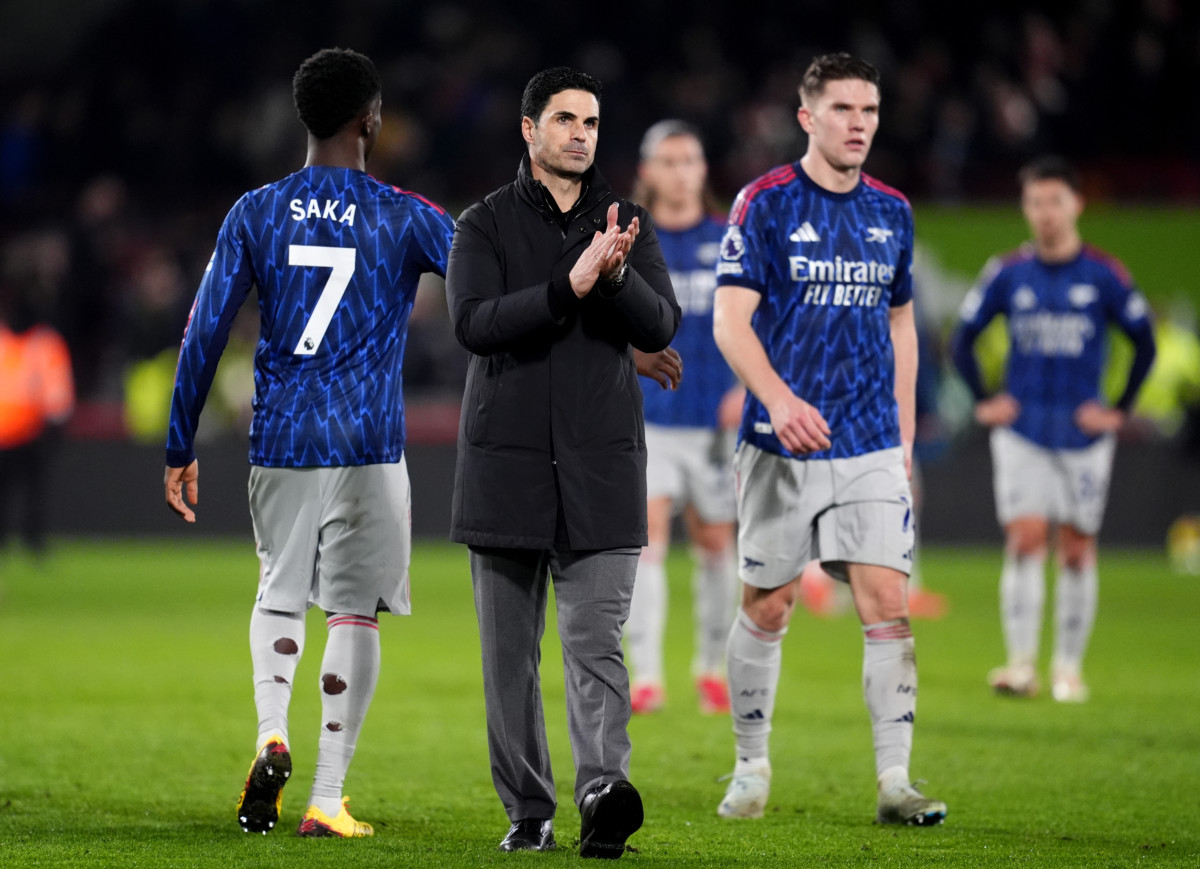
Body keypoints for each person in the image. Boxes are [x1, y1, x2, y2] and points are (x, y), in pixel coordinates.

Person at [163, 48, 455, 838]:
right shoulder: (404, 212)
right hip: (369, 439)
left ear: (303, 117)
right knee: (355, 613)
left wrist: (178, 440)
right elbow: (485, 288)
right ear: (373, 120)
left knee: (278, 589)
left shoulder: (256, 210)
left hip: (285, 434)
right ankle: (328, 795)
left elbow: (203, 333)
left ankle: (270, 733)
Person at [445, 66, 679, 857]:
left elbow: (661, 323)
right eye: (567, 119)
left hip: (602, 468)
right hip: (505, 468)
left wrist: (611, 279)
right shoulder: (482, 224)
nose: (582, 133)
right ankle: (528, 810)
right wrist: (568, 284)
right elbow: (474, 323)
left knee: (596, 644)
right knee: (508, 659)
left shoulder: (626, 221)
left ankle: (602, 791)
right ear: (529, 129)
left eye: (592, 122)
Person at [711, 52, 947, 826]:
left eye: (870, 111)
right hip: (781, 444)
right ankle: (749, 765)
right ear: (808, 117)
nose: (859, 125)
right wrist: (776, 400)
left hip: (870, 439)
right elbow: (729, 320)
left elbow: (903, 320)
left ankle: (895, 782)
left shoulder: (893, 211)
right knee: (771, 604)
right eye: (843, 110)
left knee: (886, 602)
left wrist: (904, 427)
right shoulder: (765, 203)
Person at [950, 156, 1156, 703]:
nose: (1045, 214)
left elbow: (1145, 342)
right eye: (1035, 202)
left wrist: (1119, 408)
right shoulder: (1006, 272)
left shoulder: (1105, 274)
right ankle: (1021, 664)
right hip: (1022, 430)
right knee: (1024, 539)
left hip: (1085, 432)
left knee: (1077, 547)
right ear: (1026, 207)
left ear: (1076, 204)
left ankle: (1068, 667)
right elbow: (962, 339)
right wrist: (985, 400)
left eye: (1055, 201)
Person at [623, 120, 743, 716]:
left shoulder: (730, 240)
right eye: (666, 161)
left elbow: (759, 321)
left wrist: (746, 386)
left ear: (702, 170)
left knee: (716, 541)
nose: (678, 171)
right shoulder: (627, 240)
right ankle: (647, 675)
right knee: (645, 539)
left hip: (715, 421)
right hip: (648, 418)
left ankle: (710, 668)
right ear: (648, 171)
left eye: (688, 160)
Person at [0, 284, 74, 557]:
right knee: (12, 493)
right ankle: (14, 541)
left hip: (32, 433)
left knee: (33, 493)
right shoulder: (21, 342)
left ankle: (33, 540)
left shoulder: (44, 343)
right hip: (8, 433)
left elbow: (58, 394)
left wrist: (53, 426)